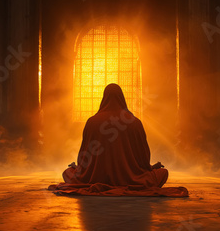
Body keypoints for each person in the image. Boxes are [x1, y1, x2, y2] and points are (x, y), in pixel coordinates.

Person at [49, 83, 188, 197]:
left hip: (95, 177)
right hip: (132, 178)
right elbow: (143, 155)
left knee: (67, 173)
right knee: (163, 173)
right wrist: (150, 168)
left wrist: (78, 167)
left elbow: (85, 153)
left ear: (104, 98)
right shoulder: (134, 122)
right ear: (122, 99)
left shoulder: (92, 122)